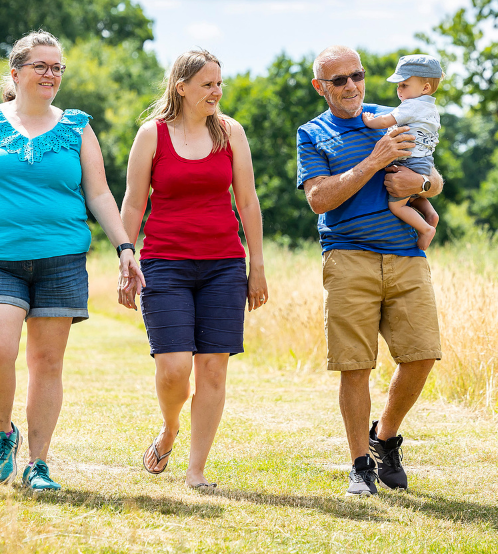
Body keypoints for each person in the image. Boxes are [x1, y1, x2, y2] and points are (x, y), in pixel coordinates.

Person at [0, 30, 144, 492]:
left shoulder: (77, 128)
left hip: (61, 260)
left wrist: (126, 247)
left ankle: (38, 463)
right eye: (42, 66)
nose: (51, 74)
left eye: (58, 67)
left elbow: (100, 193)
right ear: (16, 72)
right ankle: (3, 432)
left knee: (46, 362)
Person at [296, 45, 444, 496]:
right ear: (321, 87)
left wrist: (419, 184)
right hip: (348, 257)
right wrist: (375, 161)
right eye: (338, 80)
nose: (351, 86)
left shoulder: (395, 114)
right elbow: (319, 199)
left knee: (422, 355)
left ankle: (385, 437)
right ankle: (360, 464)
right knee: (355, 365)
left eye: (356, 76)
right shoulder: (312, 133)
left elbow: (435, 179)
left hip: (406, 257)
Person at [119, 49, 268, 490]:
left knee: (214, 369)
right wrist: (126, 259)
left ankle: (196, 471)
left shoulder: (230, 132)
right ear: (181, 87)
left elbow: (248, 201)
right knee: (173, 368)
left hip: (224, 264)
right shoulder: (153, 135)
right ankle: (169, 428)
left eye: (219, 83)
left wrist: (255, 263)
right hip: (165, 263)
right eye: (207, 84)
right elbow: (133, 201)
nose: (216, 92)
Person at [361, 54, 444, 250]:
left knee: (396, 205)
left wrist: (368, 120)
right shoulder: (431, 109)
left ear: (425, 88)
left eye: (404, 85)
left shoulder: (411, 106)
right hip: (424, 162)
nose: (399, 90)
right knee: (413, 195)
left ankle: (425, 228)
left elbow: (384, 122)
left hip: (409, 161)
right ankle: (431, 215)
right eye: (398, 85)